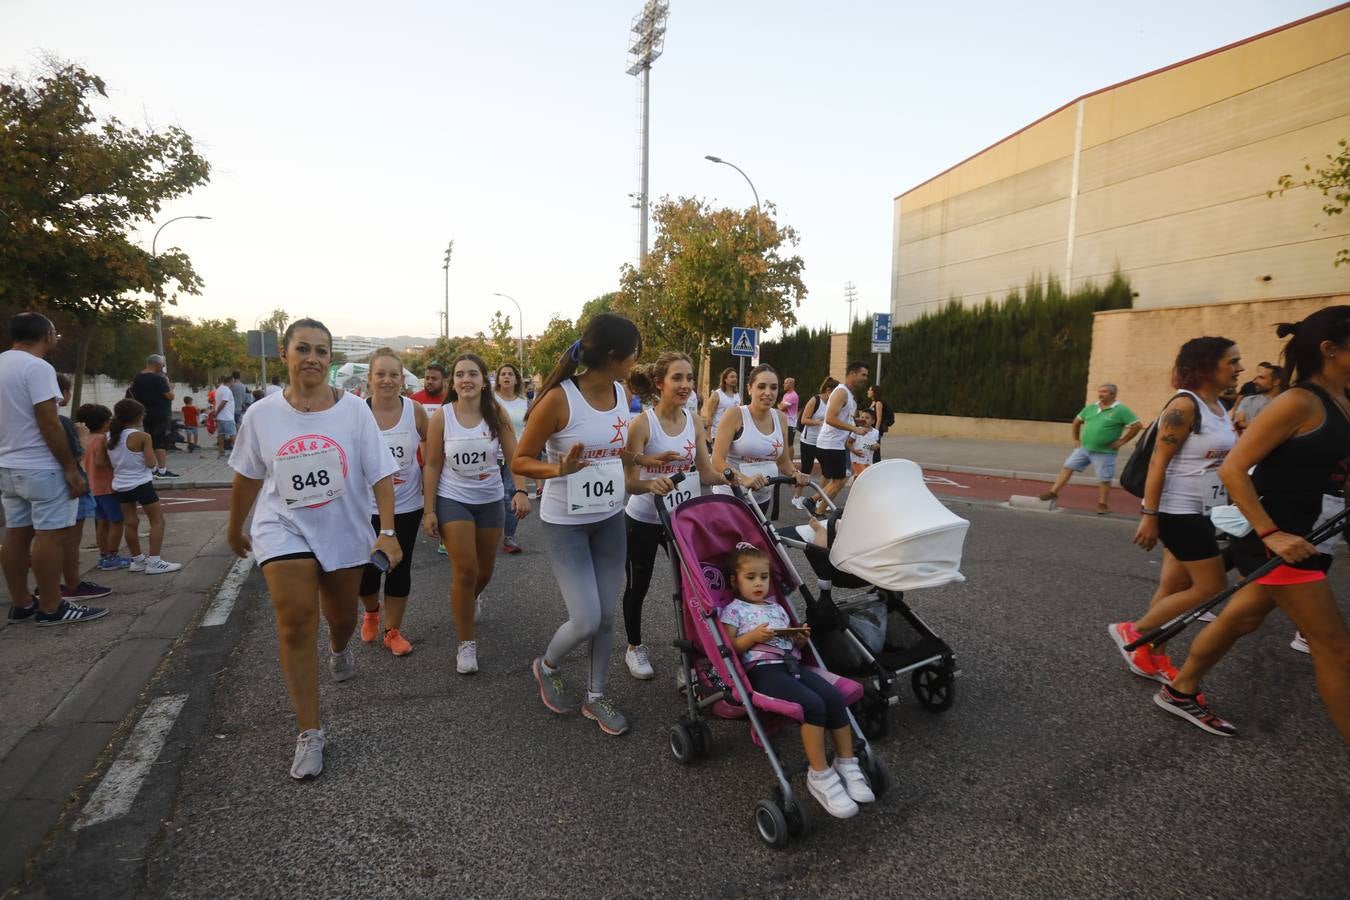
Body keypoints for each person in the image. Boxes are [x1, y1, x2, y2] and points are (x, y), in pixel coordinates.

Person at [1154, 309, 1350, 742]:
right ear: (1330, 349)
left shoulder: (1342, 399)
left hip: (1313, 535)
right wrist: (1270, 533)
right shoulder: (1300, 401)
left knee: (1240, 620)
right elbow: (1235, 469)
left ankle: (1180, 690)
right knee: (1336, 648)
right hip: (1279, 539)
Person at [226, 318, 402, 780]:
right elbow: (247, 475)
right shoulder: (260, 415)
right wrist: (234, 526)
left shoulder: (355, 412)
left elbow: (380, 474)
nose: (312, 358)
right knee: (295, 619)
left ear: (330, 360)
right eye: (303, 348)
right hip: (282, 525)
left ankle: (341, 647)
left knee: (339, 617)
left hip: (343, 529)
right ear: (284, 354)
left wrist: (388, 531)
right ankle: (310, 732)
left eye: (322, 351)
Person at [513, 313, 642, 736]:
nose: (637, 360)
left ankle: (596, 696)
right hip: (565, 523)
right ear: (612, 355)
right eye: (633, 353)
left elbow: (614, 453)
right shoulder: (558, 400)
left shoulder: (623, 393)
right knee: (585, 619)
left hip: (609, 517)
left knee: (606, 616)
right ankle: (547, 665)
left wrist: (642, 461)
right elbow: (519, 460)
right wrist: (558, 471)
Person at [1110, 337, 1242, 684]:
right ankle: (1134, 631)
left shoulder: (1219, 407)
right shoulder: (1184, 406)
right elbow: (1158, 463)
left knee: (1173, 586)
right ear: (1205, 366)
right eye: (1232, 361)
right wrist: (1150, 515)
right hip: (1177, 511)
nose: (1239, 368)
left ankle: (1152, 653)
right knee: (1211, 586)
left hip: (1203, 509)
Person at [718, 543, 874, 818]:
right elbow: (729, 648)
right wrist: (752, 637)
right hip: (763, 671)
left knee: (834, 698)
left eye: (764, 577)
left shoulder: (776, 607)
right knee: (813, 705)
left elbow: (790, 643)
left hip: (791, 665)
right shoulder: (734, 610)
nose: (758, 583)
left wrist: (799, 639)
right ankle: (820, 775)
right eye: (750, 577)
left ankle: (846, 762)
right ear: (735, 581)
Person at [621, 352, 728, 680]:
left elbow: (707, 472)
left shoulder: (694, 421)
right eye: (677, 378)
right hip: (643, 519)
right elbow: (629, 482)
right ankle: (634, 647)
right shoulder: (642, 424)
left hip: (681, 518)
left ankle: (693, 658)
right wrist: (652, 483)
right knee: (639, 584)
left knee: (693, 588)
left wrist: (736, 477)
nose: (685, 385)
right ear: (659, 383)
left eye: (689, 378)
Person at [424, 353, 530, 674]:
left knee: (485, 571)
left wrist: (522, 490)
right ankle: (466, 643)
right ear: (452, 382)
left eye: (473, 374)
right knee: (466, 570)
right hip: (452, 497)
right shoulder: (442, 417)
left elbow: (515, 457)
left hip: (489, 499)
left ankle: (468, 599)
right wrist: (429, 509)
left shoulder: (495, 413)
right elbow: (431, 464)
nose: (465, 379)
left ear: (485, 381)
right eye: (459, 375)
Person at [2, 313, 106, 626]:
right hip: (42, 467)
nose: (56, 337)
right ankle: (51, 606)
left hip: (8, 465)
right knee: (52, 536)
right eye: (55, 332)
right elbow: (48, 421)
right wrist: (69, 468)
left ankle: (21, 603)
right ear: (47, 334)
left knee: (16, 535)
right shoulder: (38, 368)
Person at [357, 349, 428, 658]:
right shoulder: (357, 413)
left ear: (403, 379)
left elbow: (433, 451)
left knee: (399, 569)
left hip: (407, 506)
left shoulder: (415, 411)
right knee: (366, 573)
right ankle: (372, 611)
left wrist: (432, 500)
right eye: (381, 374)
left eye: (394, 375)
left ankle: (392, 631)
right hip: (365, 509)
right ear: (370, 378)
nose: (387, 380)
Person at [711, 363, 808, 515]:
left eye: (774, 387)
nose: (768, 392)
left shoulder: (781, 418)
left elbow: (783, 461)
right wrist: (743, 479)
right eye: (761, 387)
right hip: (731, 497)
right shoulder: (735, 414)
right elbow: (716, 460)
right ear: (750, 389)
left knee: (755, 538)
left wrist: (795, 473)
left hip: (761, 498)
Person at [1039, 383, 1142, 515]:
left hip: (1105, 452)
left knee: (1104, 478)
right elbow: (1076, 422)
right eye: (1099, 391)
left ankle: (1102, 504)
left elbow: (1137, 426)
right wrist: (1076, 439)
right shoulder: (1091, 407)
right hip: (1084, 448)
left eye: (1104, 392)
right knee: (1067, 467)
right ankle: (1053, 492)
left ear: (1113, 394)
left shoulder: (1121, 410)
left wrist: (1122, 441)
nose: (1100, 394)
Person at [107, 399, 183, 575]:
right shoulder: (142, 436)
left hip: (120, 484)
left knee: (130, 523)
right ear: (138, 416)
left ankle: (137, 560)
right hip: (141, 483)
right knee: (157, 521)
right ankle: (154, 561)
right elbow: (150, 463)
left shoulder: (109, 436)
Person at [52, 375, 111, 601]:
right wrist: (83, 437)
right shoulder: (62, 422)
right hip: (70, 484)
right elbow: (78, 456)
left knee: (45, 537)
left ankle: (49, 586)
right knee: (70, 539)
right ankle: (72, 585)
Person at [77, 403, 130, 571]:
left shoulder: (86, 439)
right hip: (107, 486)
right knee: (117, 521)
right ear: (104, 422)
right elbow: (101, 461)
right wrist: (117, 464)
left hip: (93, 487)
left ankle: (104, 554)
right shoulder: (102, 439)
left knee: (102, 522)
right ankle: (112, 555)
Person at [813, 362, 870, 514]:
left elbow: (843, 418)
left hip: (835, 444)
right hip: (830, 444)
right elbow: (830, 418)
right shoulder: (841, 392)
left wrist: (857, 422)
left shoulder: (850, 396)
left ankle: (819, 510)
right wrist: (855, 429)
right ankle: (812, 502)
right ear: (853, 374)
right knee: (839, 481)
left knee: (838, 480)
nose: (866, 379)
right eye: (863, 375)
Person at [494, 363, 531, 554]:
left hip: (515, 457)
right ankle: (488, 533)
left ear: (516, 379)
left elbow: (528, 429)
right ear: (498, 379)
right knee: (492, 497)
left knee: (512, 493)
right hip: (491, 456)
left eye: (510, 374)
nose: (506, 377)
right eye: (503, 374)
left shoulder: (524, 402)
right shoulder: (490, 401)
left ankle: (509, 536)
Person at [129, 354, 178, 479]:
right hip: (161, 414)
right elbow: (170, 396)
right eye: (162, 364)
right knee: (160, 441)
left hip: (145, 413)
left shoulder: (138, 378)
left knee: (149, 440)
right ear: (156, 364)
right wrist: (170, 387)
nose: (163, 367)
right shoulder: (159, 379)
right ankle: (162, 470)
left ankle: (152, 469)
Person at [791, 377, 837, 510]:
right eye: (835, 393)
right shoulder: (815, 400)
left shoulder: (832, 403)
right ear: (828, 390)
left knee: (827, 471)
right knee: (806, 470)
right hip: (809, 440)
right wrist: (820, 422)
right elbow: (804, 419)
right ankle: (797, 497)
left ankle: (819, 498)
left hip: (824, 441)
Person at [1231, 361, 1286, 434]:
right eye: (1256, 378)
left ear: (1276, 381)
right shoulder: (1248, 400)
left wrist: (1245, 424)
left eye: (1261, 378)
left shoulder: (1285, 404)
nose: (1255, 381)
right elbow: (1238, 423)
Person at [702, 367, 740, 444]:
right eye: (732, 377)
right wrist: (708, 435)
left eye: (736, 377)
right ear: (725, 379)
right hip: (718, 434)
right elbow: (710, 416)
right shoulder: (717, 394)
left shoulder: (737, 395)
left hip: (733, 435)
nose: (735, 379)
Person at [848, 410, 880, 477]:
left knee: (865, 477)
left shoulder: (876, 432)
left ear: (873, 421)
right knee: (859, 476)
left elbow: (876, 444)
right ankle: (854, 487)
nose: (864, 419)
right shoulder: (856, 430)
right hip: (857, 459)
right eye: (862, 417)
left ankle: (858, 487)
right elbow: (848, 443)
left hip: (868, 459)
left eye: (867, 418)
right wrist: (854, 451)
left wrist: (876, 446)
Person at [866, 385, 892, 464]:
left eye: (870, 390)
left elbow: (879, 418)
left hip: (875, 430)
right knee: (871, 448)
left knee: (875, 449)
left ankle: (876, 465)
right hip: (871, 429)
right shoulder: (873, 402)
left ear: (874, 392)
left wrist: (876, 432)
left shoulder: (878, 403)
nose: (868, 391)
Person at [213, 373, 237, 457]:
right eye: (233, 382)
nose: (234, 384)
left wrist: (216, 413)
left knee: (221, 434)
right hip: (227, 417)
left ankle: (221, 450)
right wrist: (216, 412)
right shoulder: (227, 390)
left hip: (220, 417)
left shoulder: (218, 389)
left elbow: (216, 402)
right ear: (230, 382)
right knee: (233, 434)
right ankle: (237, 452)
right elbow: (224, 402)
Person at [778, 376, 799, 456]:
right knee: (783, 443)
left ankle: (790, 461)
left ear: (791, 384)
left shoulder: (793, 396)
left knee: (789, 444)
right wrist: (781, 406)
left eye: (786, 383)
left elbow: (782, 407)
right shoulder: (786, 395)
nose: (784, 384)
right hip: (785, 422)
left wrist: (781, 406)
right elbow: (781, 407)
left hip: (790, 423)